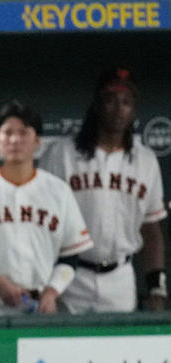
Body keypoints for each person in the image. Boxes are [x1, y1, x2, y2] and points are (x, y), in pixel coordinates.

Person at [39, 68, 168, 312]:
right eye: (111, 99)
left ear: (134, 111)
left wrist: (156, 286)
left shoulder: (146, 160)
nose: (119, 109)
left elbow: (151, 228)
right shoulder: (62, 154)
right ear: (97, 105)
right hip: (69, 276)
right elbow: (42, 222)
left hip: (120, 277)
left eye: (127, 102)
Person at [0, 101, 94, 315]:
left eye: (23, 133)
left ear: (37, 142)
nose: (15, 140)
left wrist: (52, 292)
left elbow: (70, 255)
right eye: (7, 133)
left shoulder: (58, 191)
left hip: (39, 304)